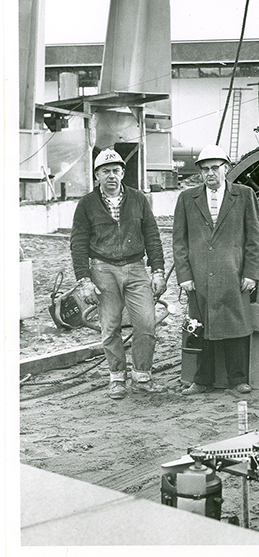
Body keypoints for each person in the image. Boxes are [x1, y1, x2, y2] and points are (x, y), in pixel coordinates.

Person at [70, 149, 167, 399]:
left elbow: (153, 237)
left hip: (136, 267)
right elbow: (78, 243)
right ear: (97, 175)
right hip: (103, 269)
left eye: (116, 171)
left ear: (123, 173)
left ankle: (142, 374)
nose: (111, 176)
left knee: (146, 323)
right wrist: (84, 281)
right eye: (105, 171)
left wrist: (157, 271)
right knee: (110, 325)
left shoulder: (138, 199)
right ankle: (116, 377)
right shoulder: (86, 205)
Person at [173, 144, 259, 395]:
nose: (210, 174)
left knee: (236, 326)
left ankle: (238, 379)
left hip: (233, 275)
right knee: (201, 327)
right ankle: (202, 381)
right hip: (199, 277)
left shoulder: (244, 195)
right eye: (204, 170)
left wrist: (251, 273)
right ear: (200, 173)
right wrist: (185, 276)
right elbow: (179, 241)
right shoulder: (187, 199)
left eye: (215, 168)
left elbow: (255, 238)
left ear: (226, 169)